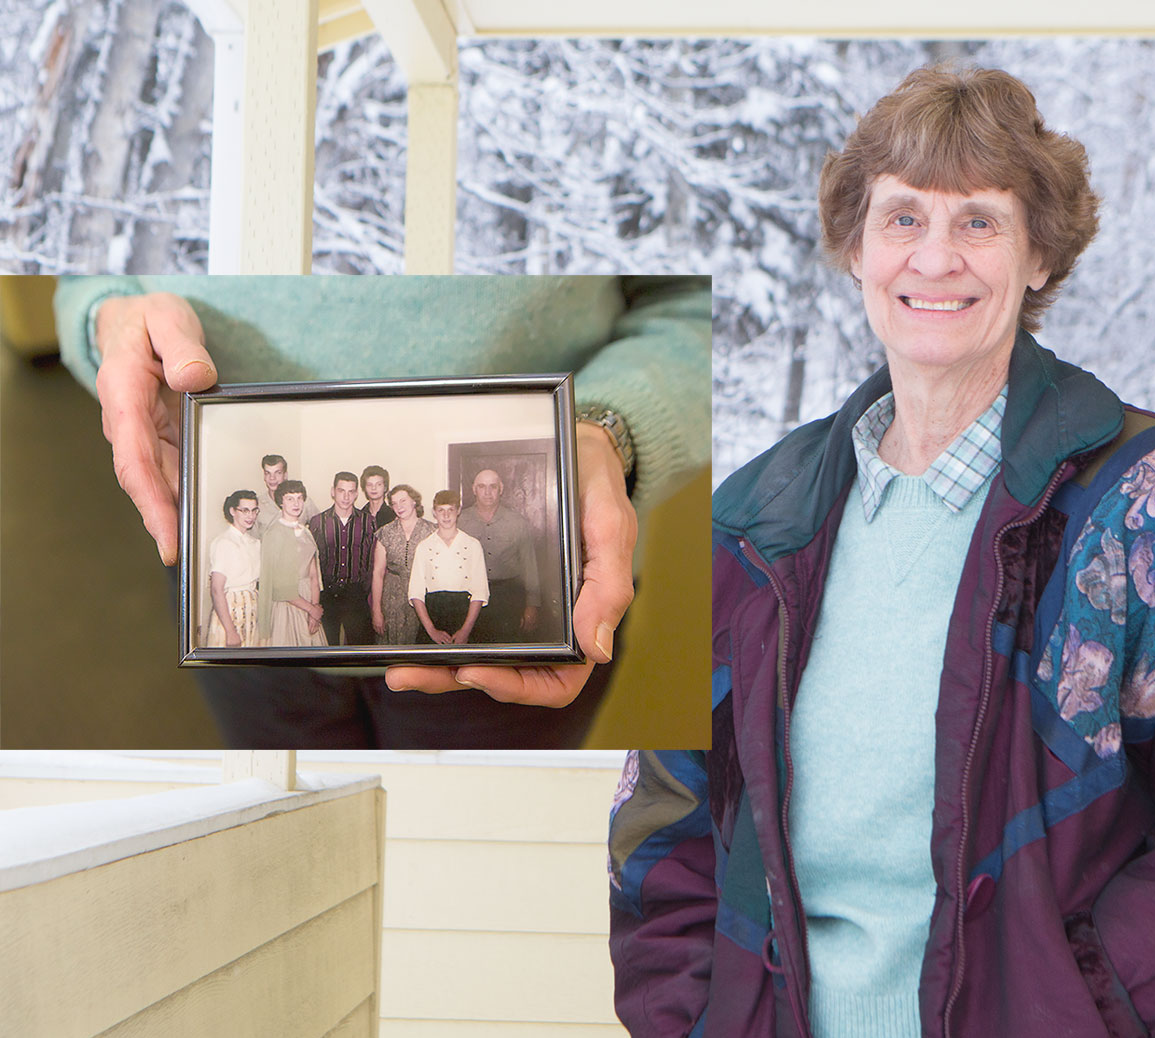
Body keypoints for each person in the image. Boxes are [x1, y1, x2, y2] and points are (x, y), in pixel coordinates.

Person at [609, 66, 1155, 1038]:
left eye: (979, 222)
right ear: (854, 247)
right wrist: (693, 1037)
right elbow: (664, 827)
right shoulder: (740, 532)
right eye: (901, 218)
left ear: (1039, 255)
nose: (935, 257)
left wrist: (1077, 1024)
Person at [57, 275, 709, 746]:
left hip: (523, 621)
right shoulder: (301, 527)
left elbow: (698, 304)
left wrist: (605, 429)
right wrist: (107, 317)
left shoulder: (427, 533)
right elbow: (78, 267)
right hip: (255, 632)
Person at [457, 467, 541, 643]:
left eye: (493, 487)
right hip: (469, 598)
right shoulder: (460, 521)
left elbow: (529, 566)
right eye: (482, 486)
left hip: (507, 597)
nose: (487, 492)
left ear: (500, 489)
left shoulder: (517, 522)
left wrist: (532, 605)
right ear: (474, 489)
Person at [408, 490, 489, 645]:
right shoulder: (424, 546)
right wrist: (431, 631)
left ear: (458, 511)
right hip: (433, 615)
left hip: (464, 615)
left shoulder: (472, 545)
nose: (446, 516)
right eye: (441, 511)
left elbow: (480, 591)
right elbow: (416, 593)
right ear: (434, 513)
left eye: (450, 510)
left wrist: (465, 630)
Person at [307, 471, 376, 645]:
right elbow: (311, 563)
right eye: (341, 490)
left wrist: (365, 590)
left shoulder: (368, 522)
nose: (346, 496)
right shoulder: (318, 522)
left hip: (356, 594)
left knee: (359, 648)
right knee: (327, 646)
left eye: (351, 491)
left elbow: (372, 560)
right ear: (333, 491)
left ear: (356, 494)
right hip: (327, 595)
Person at [257, 479, 327, 647]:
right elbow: (280, 587)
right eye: (290, 498)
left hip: (309, 600)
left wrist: (314, 610)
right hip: (286, 605)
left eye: (299, 498)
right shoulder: (274, 534)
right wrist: (312, 609)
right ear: (281, 502)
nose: (296, 503)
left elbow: (313, 576)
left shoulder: (306, 532)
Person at [371, 483, 435, 645]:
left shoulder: (431, 531)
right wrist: (376, 610)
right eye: (394, 503)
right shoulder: (385, 532)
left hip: (423, 596)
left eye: (403, 501)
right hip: (392, 597)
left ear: (414, 501)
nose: (399, 506)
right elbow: (378, 573)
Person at [205, 489, 261, 648]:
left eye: (254, 510)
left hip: (251, 611)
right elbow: (216, 589)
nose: (250, 516)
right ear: (232, 511)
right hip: (230, 613)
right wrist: (230, 631)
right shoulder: (224, 543)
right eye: (244, 510)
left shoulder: (255, 543)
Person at [253, 454, 317, 538]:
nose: (272, 478)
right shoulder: (257, 505)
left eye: (278, 473)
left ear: (285, 475)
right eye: (267, 473)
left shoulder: (303, 501)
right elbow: (251, 540)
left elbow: (319, 528)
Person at [360, 464, 394, 531]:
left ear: (385, 487)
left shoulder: (393, 516)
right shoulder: (359, 516)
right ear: (364, 488)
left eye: (378, 484)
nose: (373, 488)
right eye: (369, 484)